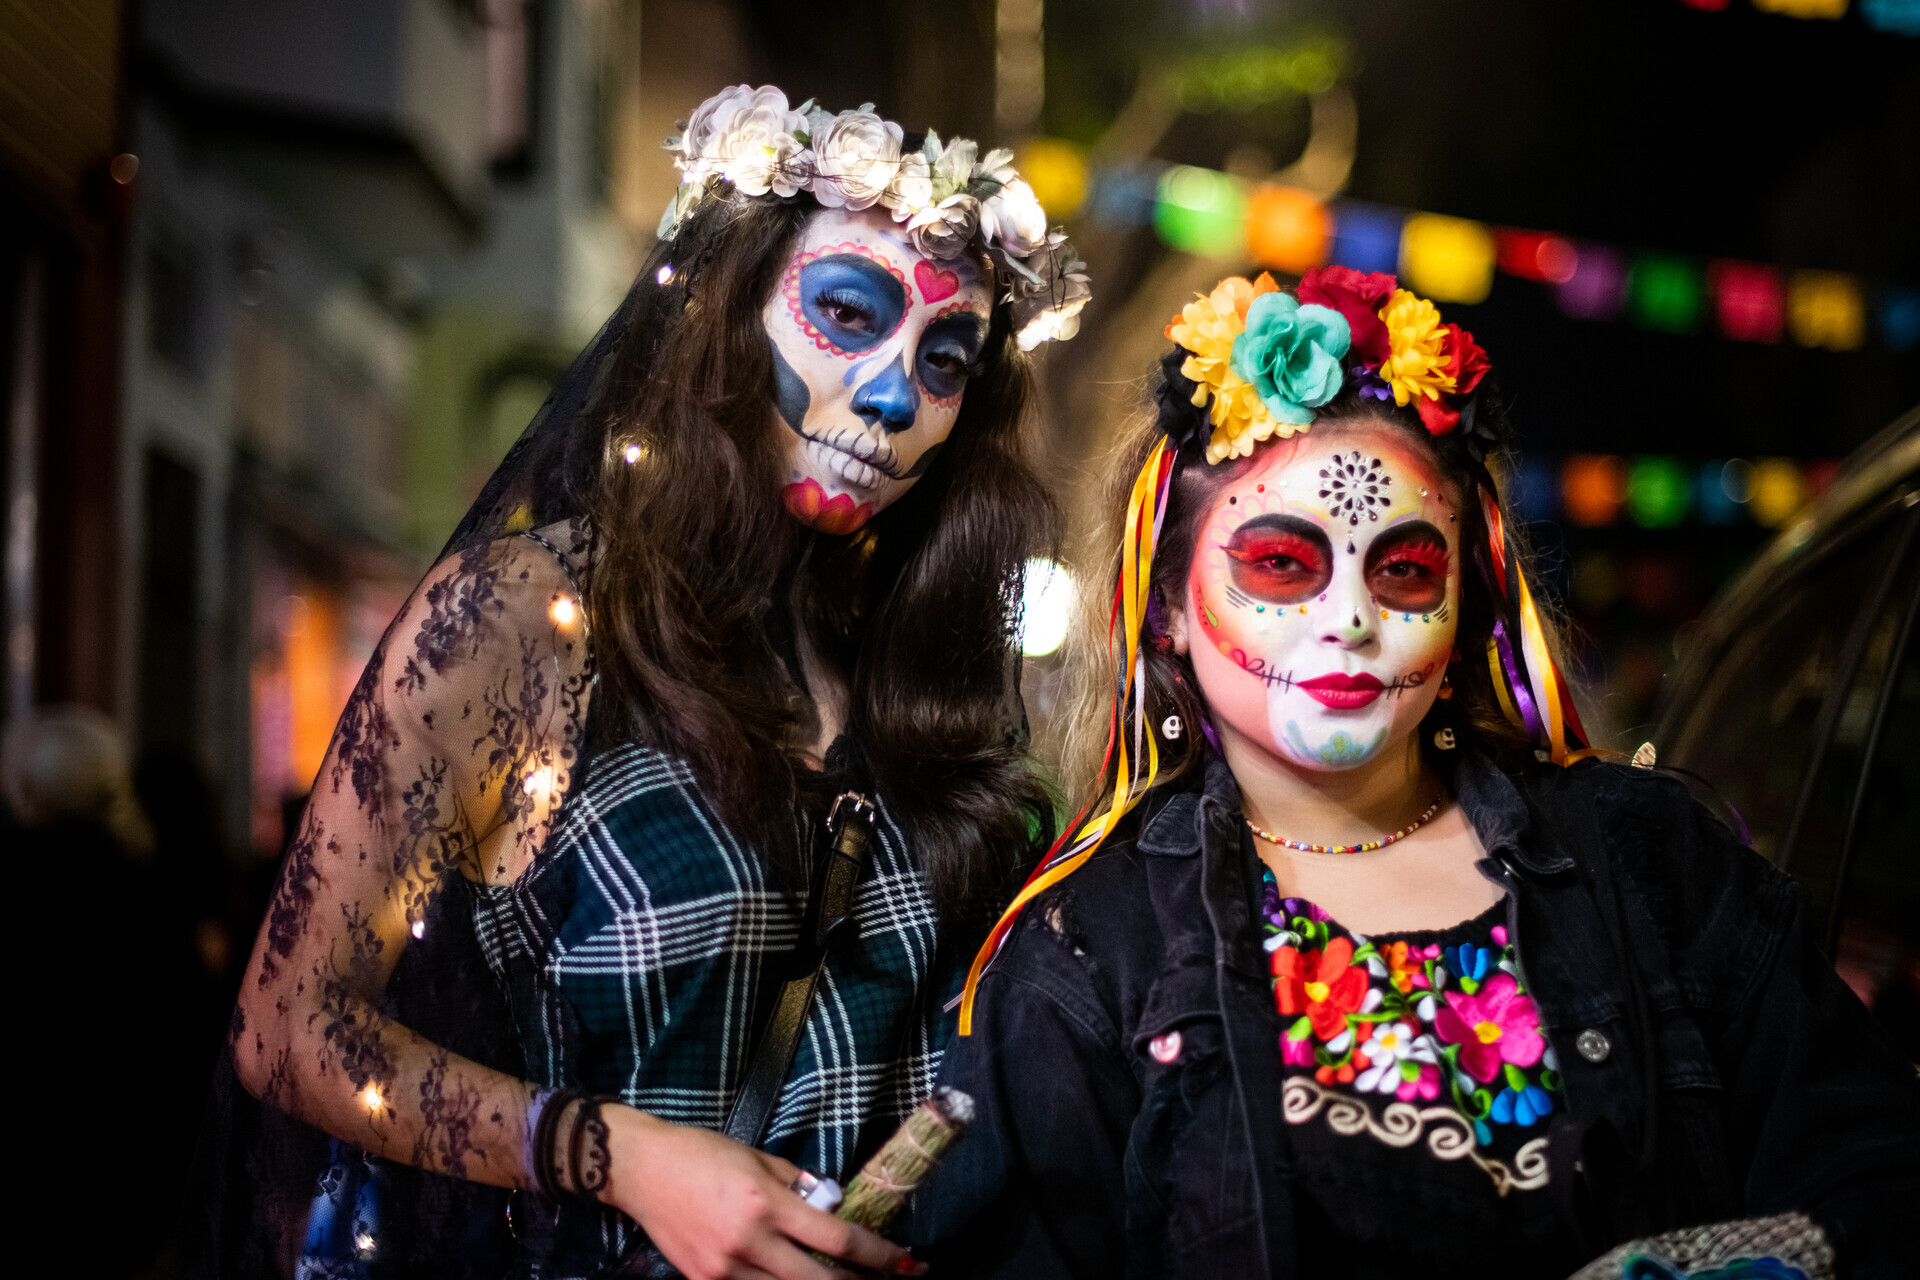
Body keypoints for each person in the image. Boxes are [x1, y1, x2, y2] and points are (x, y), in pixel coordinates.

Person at [188, 85, 1090, 1280]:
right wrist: (621, 1155)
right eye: (846, 312)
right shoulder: (524, 623)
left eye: (944, 359)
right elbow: (288, 1027)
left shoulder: (923, 672)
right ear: (722, 315)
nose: (890, 394)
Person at [912, 269, 1919, 1278]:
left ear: (1467, 600)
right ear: (1165, 601)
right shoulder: (1090, 951)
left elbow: (1877, 1176)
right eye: (1282, 563)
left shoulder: (1657, 860)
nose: (1351, 618)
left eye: (1402, 570)